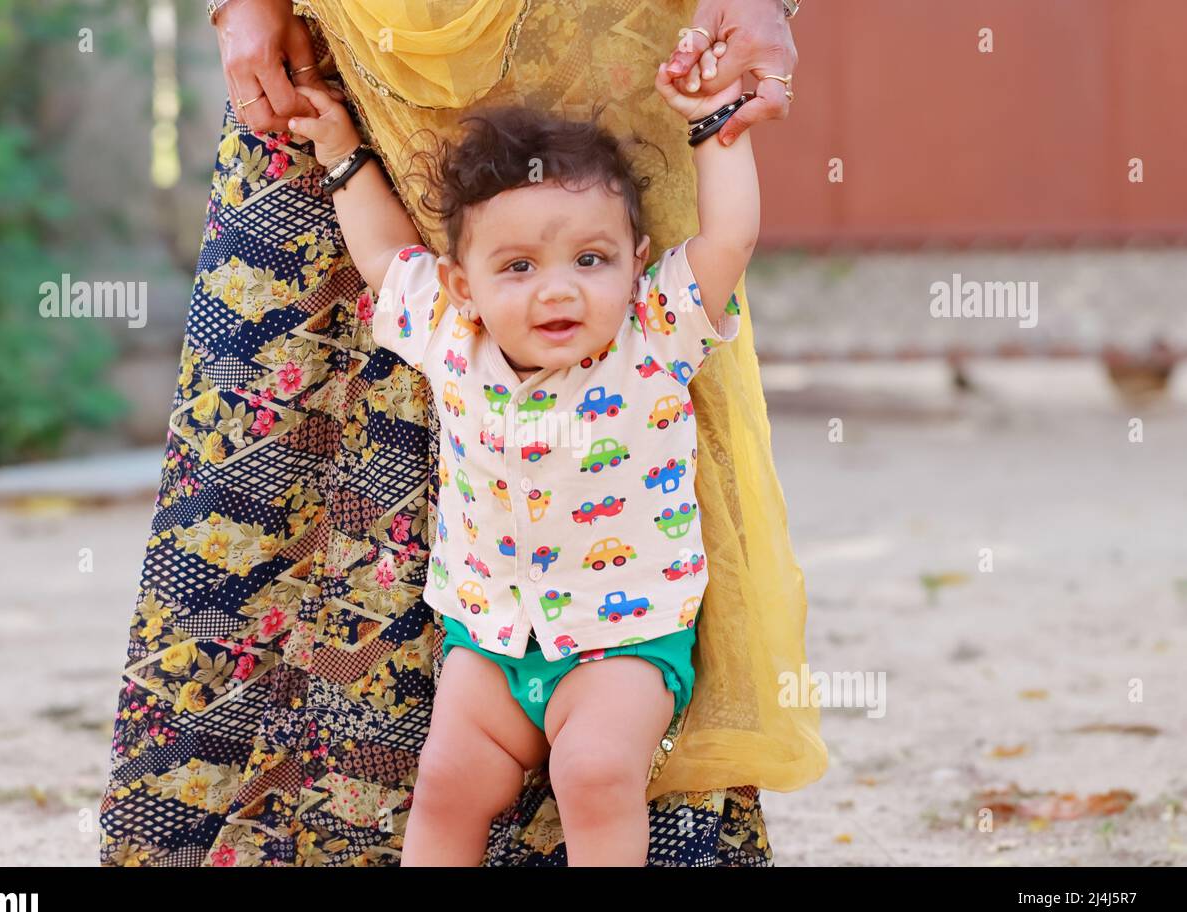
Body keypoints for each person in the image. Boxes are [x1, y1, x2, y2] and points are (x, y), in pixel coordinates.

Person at [98, 0, 825, 867]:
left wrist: (713, 128)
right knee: (443, 786)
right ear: (464, 282)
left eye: (591, 259)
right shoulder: (452, 333)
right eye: (518, 267)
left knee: (596, 774)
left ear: (636, 258)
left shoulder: (654, 332)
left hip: (624, 635)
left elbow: (730, 236)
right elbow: (379, 257)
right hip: (486, 636)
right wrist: (341, 156)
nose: (557, 291)